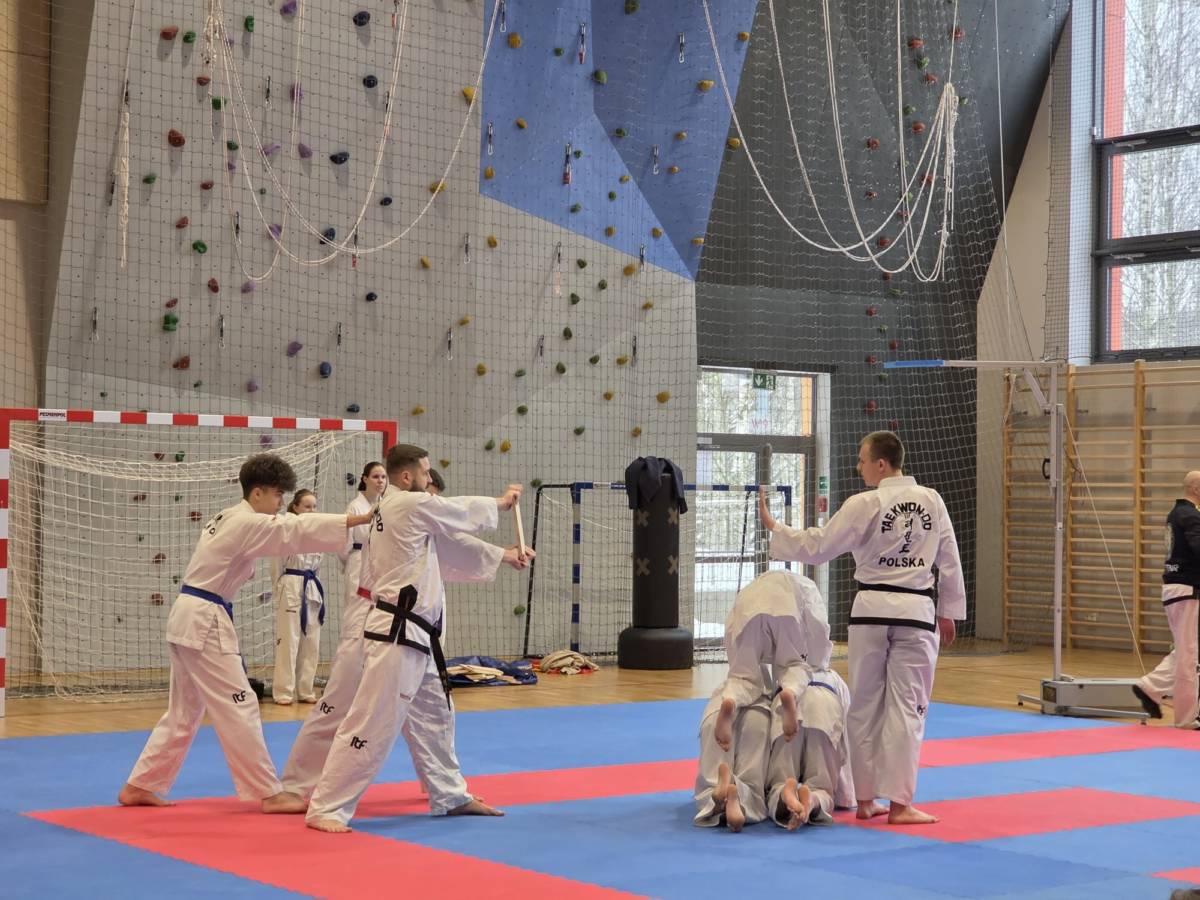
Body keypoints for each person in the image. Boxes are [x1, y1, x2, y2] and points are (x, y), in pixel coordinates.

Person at [118, 454, 375, 812]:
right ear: (257, 493)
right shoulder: (246, 522)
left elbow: (288, 525)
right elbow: (294, 529)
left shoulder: (229, 516)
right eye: (277, 495)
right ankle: (268, 792)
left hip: (188, 616)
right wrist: (358, 518)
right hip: (204, 621)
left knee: (184, 711)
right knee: (240, 704)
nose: (281, 503)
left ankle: (140, 785)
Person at [304, 444, 530, 832]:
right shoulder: (405, 503)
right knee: (371, 721)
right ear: (407, 476)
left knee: (436, 717)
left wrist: (503, 556)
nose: (429, 479)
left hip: (415, 635)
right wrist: (500, 503)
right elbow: (456, 511)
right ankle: (327, 807)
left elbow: (444, 547)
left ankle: (450, 795)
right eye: (425, 472)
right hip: (397, 633)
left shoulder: (397, 509)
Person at [758, 430, 965, 825]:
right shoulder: (931, 501)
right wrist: (949, 611)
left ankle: (866, 799)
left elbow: (820, 545)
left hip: (869, 611)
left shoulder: (863, 504)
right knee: (908, 709)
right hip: (915, 612)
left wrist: (778, 530)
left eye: (862, 460)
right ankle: (900, 806)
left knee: (864, 705)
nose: (859, 467)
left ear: (881, 464)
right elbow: (949, 559)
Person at [713, 570, 826, 751]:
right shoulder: (805, 585)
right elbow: (819, 625)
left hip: (748, 611)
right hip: (787, 609)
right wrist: (819, 661)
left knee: (743, 676)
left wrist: (736, 660)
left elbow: (732, 625)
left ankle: (731, 700)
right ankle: (790, 692)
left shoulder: (751, 588)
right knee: (794, 664)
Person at [1134, 471, 1200, 729]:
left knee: (1186, 649)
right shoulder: (1190, 515)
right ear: (1196, 489)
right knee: (1188, 656)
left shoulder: (1176, 514)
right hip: (1186, 589)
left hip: (1177, 588)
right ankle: (1185, 718)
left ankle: (1150, 687)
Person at [764, 667, 853, 830]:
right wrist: (846, 795)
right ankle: (813, 799)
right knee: (822, 788)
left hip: (786, 699)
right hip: (825, 703)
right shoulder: (837, 681)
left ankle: (784, 793)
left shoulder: (782, 668)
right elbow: (845, 748)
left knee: (779, 782)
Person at [272, 490, 327, 705]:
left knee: (311, 642)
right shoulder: (286, 530)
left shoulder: (318, 533)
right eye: (307, 506)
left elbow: (318, 566)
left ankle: (305, 689)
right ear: (295, 507)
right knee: (289, 642)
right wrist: (279, 589)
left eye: (314, 506)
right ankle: (283, 691)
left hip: (311, 585)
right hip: (291, 584)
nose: (312, 510)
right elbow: (276, 565)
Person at [694, 692, 771, 831]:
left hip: (717, 711)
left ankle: (716, 801)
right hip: (759, 712)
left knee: (711, 780)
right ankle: (738, 798)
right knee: (752, 784)